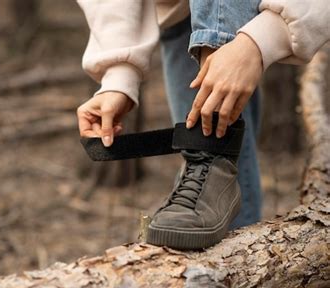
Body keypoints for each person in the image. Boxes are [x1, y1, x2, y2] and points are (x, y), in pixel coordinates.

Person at [76, 0, 329, 249]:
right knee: (213, 170)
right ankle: (233, 275)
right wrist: (119, 76)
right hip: (182, 19)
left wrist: (258, 43)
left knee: (212, 151)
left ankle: (210, 153)